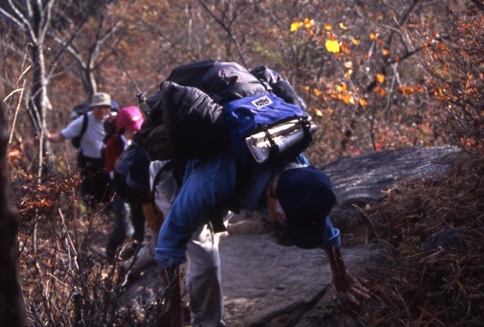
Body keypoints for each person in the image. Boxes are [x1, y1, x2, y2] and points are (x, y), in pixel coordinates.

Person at [153, 152, 370, 327]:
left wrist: (340, 274)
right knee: (205, 255)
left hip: (225, 181)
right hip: (173, 175)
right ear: (270, 194)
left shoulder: (299, 171)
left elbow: (318, 219)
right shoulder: (214, 180)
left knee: (213, 229)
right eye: (285, 219)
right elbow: (169, 240)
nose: (284, 224)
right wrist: (172, 317)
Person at [47, 92, 113, 206]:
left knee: (106, 193)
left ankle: (104, 217)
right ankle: (90, 218)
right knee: (89, 193)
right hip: (88, 162)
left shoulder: (114, 120)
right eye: (99, 107)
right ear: (93, 108)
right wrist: (46, 135)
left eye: (105, 107)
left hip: (108, 162)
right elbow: (60, 136)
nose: (102, 110)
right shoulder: (84, 120)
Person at [102, 105, 146, 261]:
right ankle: (111, 251)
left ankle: (138, 246)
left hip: (139, 186)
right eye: (130, 131)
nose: (134, 134)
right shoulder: (113, 144)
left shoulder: (143, 140)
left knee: (141, 219)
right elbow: (110, 169)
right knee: (124, 223)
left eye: (136, 130)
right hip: (120, 187)